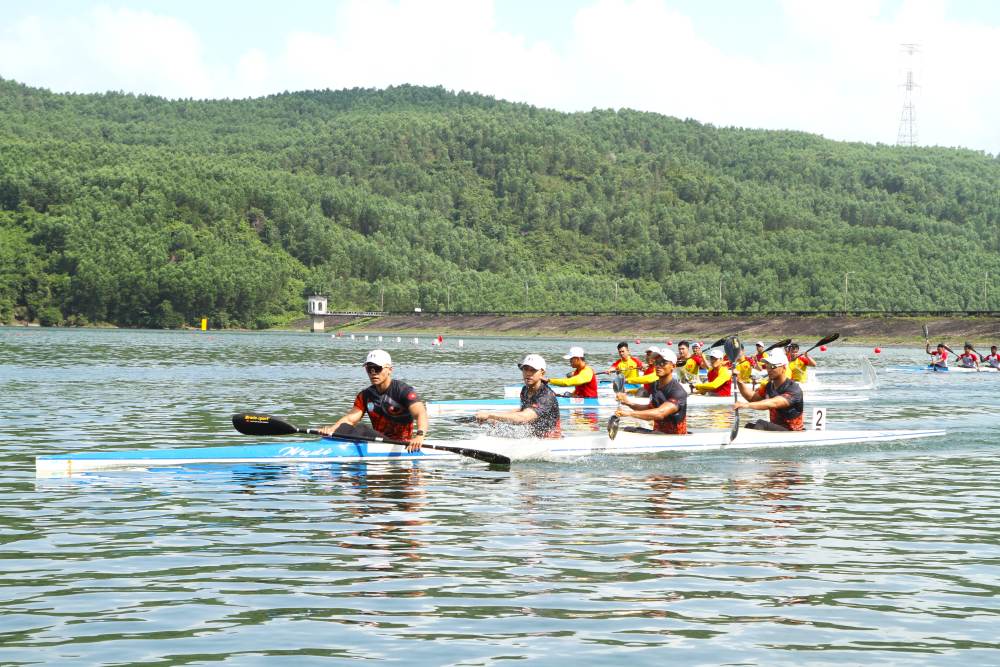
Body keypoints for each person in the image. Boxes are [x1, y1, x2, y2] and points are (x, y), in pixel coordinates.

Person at [318, 350, 428, 451]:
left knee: (362, 428)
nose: (373, 372)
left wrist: (419, 436)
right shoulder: (365, 395)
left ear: (390, 370)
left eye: (377, 368)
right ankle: (325, 448)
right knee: (344, 427)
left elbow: (420, 413)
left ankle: (332, 450)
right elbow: (350, 420)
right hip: (376, 442)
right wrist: (331, 430)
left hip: (400, 444)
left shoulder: (403, 391)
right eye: (369, 369)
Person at [475, 354, 561, 438]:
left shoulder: (546, 396)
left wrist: (490, 415)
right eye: (525, 369)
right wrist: (496, 418)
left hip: (550, 440)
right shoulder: (525, 390)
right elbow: (523, 410)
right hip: (533, 437)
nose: (528, 373)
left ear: (542, 373)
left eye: (532, 370)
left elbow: (523, 417)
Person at [615, 348, 688, 434]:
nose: (658, 366)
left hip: (675, 436)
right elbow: (650, 408)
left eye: (663, 363)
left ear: (673, 366)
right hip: (657, 432)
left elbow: (660, 413)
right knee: (627, 429)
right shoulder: (655, 385)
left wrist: (629, 414)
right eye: (656, 363)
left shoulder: (678, 392)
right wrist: (627, 402)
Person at [734, 349, 804, 431]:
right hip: (777, 429)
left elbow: (773, 403)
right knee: (749, 426)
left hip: (792, 431)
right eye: (767, 365)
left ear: (784, 368)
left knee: (761, 423)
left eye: (773, 366)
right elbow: (752, 398)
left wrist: (746, 405)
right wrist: (738, 381)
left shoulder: (793, 389)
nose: (769, 369)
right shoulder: (769, 386)